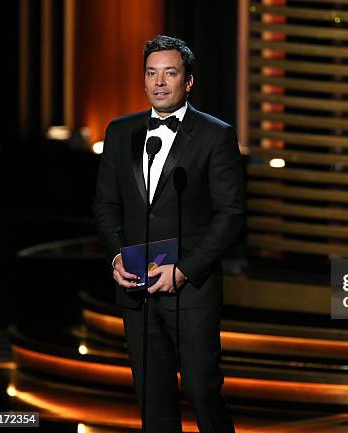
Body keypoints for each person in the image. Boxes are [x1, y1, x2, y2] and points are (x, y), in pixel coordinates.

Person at [93, 35, 243, 433]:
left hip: (191, 290)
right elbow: (106, 205)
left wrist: (184, 269)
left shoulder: (216, 135)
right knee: (153, 404)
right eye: (151, 73)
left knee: (202, 392)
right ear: (143, 80)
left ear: (188, 81)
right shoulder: (119, 131)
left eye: (170, 73)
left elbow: (230, 214)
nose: (159, 82)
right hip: (137, 291)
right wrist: (116, 256)